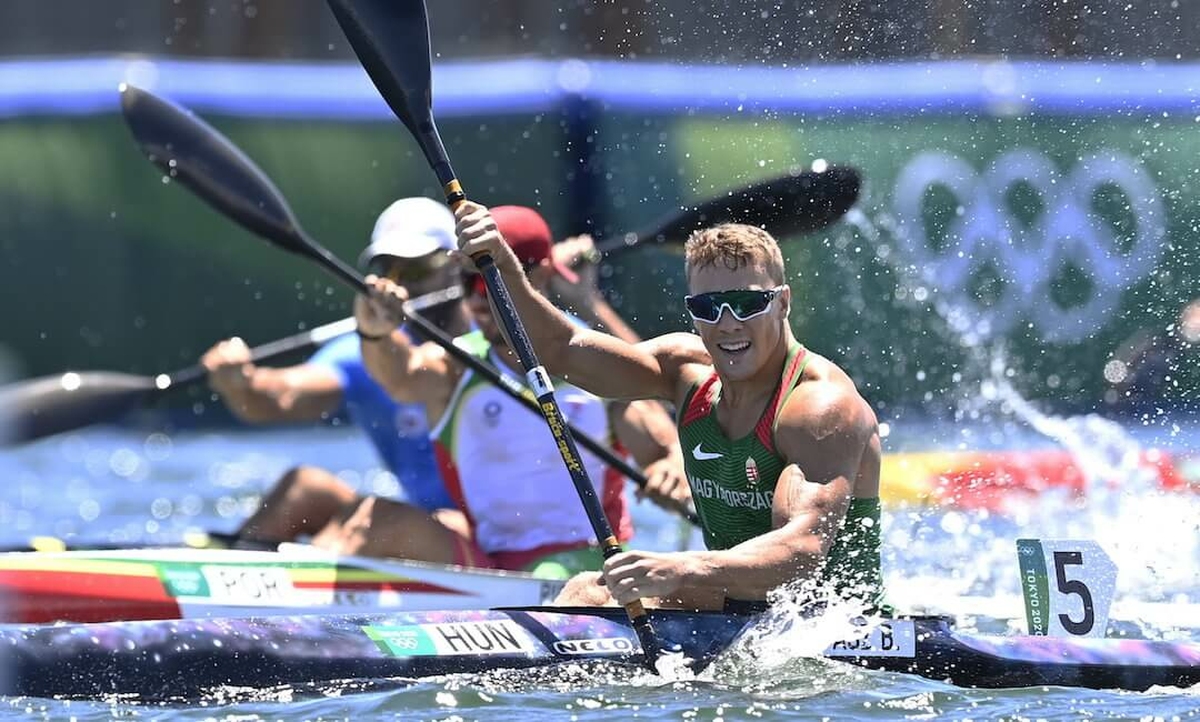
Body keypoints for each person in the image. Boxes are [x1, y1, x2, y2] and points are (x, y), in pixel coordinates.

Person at [450, 201, 885, 612]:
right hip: (740, 609)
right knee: (587, 591)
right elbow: (561, 350)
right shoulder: (686, 372)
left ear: (783, 302)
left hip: (827, 620)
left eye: (749, 303)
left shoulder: (818, 408)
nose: (728, 322)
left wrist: (678, 568)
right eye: (708, 307)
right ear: (691, 313)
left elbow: (800, 553)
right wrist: (503, 268)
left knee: (590, 595)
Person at [349, 205, 686, 578]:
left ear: (537, 276)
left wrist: (669, 470)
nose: (476, 299)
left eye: (487, 281)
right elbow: (399, 375)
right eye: (466, 281)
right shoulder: (456, 365)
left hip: (585, 563)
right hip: (488, 563)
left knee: (549, 574)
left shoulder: (594, 369)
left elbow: (664, 451)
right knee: (376, 520)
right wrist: (374, 332)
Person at [202, 197, 473, 543]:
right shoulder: (365, 350)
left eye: (417, 269)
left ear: (457, 267)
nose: (401, 285)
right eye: (387, 270)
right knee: (303, 488)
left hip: (494, 536)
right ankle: (231, 570)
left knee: (382, 520)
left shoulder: (498, 345)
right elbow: (281, 398)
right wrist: (242, 384)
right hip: (428, 529)